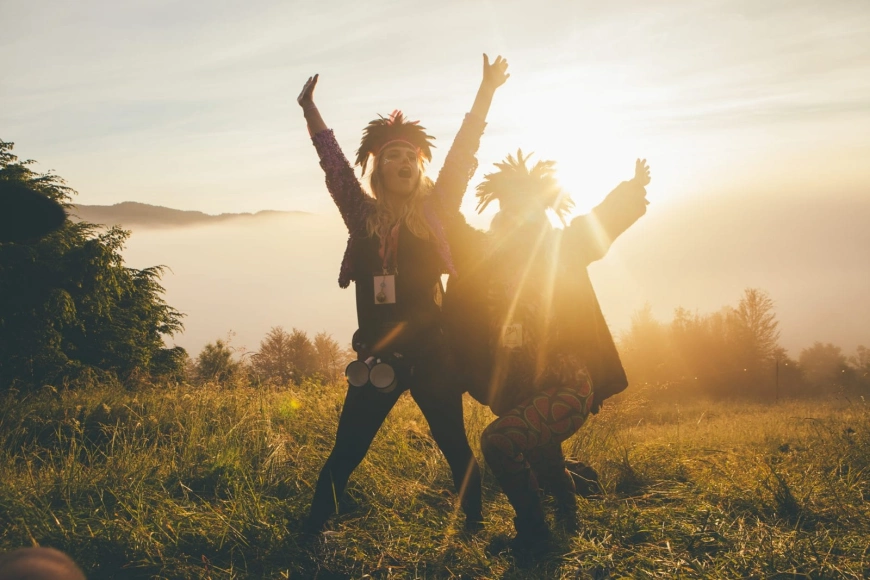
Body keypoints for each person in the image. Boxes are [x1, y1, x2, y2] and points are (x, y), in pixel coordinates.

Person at [297, 54, 510, 535]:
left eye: (411, 157)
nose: (404, 162)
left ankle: (472, 529)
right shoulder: (360, 214)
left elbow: (460, 153)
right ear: (377, 169)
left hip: (433, 354)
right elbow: (333, 166)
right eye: (392, 156)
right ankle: (311, 529)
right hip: (377, 360)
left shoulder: (435, 212)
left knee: (455, 446)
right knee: (348, 448)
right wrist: (310, 111)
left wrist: (487, 92)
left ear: (420, 167)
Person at [443, 150, 651, 554]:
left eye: (527, 205)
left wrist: (631, 189)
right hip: (521, 390)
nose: (516, 214)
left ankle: (535, 534)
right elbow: (451, 227)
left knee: (499, 442)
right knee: (545, 457)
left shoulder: (562, 248)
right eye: (509, 205)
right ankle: (567, 522)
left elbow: (598, 224)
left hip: (567, 387)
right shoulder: (485, 260)